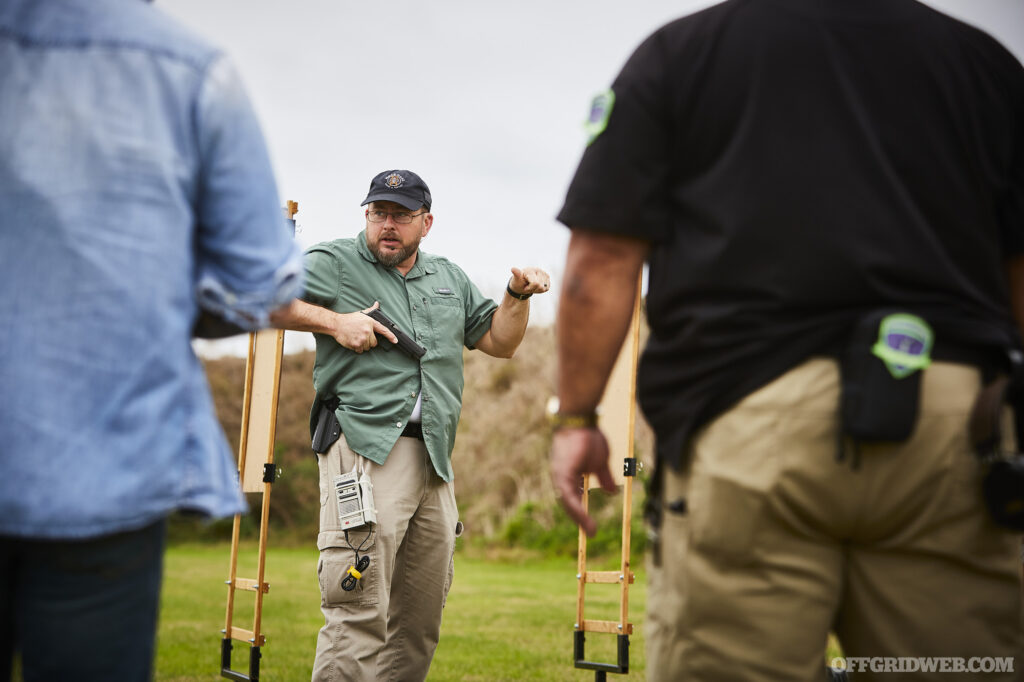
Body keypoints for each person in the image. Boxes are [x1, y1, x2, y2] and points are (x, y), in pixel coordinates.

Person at [549, 1, 1024, 680]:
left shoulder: (681, 54)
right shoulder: (986, 66)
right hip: (955, 428)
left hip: (749, 417)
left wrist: (576, 417)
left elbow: (598, 265)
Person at [0, 0, 304, 679]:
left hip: (109, 472)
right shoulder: (191, 71)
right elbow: (260, 285)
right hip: (107, 468)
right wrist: (155, 288)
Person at [269, 168, 550, 682]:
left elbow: (501, 343)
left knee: (419, 624)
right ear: (367, 216)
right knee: (357, 613)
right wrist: (336, 322)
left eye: (401, 215)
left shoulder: (449, 277)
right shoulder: (333, 262)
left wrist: (517, 295)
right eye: (379, 213)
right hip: (364, 452)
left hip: (435, 464)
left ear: (427, 222)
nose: (388, 225)